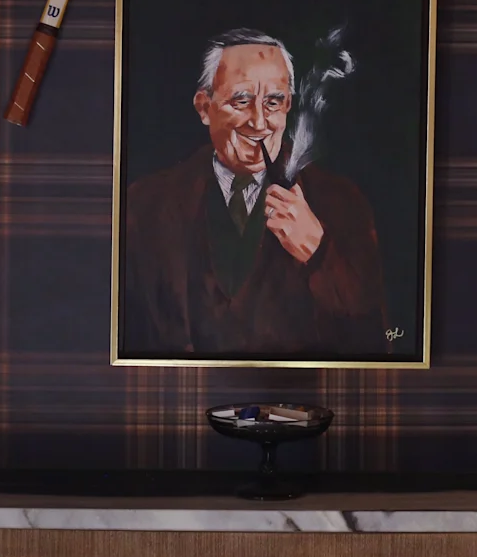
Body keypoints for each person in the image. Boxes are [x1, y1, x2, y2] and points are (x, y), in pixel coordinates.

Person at [123, 28, 387, 357]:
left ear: (289, 104)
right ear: (204, 107)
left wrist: (319, 252)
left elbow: (372, 342)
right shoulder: (144, 204)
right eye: (241, 101)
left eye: (273, 102)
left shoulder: (341, 202)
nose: (259, 122)